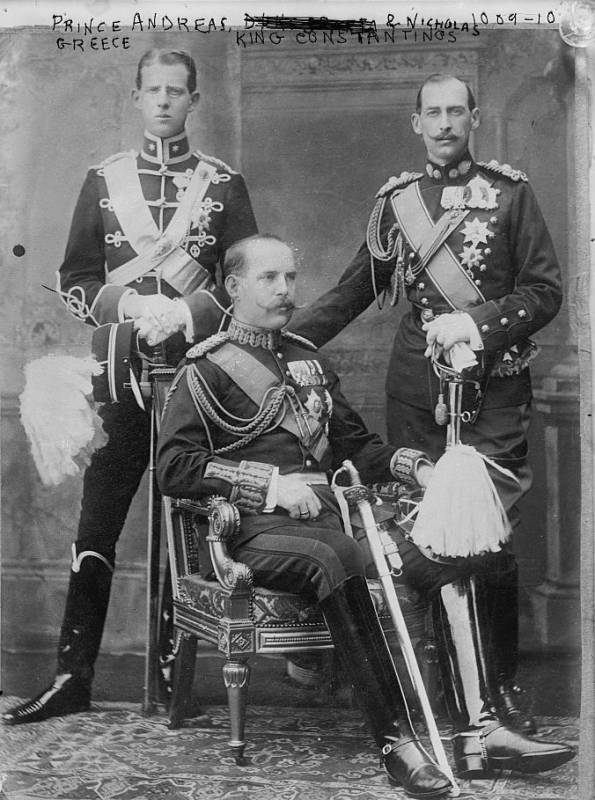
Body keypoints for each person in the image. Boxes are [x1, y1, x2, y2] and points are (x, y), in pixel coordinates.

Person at [156, 233, 573, 794]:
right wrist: (270, 485)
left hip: (334, 521)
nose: (285, 290)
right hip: (256, 532)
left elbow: (357, 448)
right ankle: (396, 742)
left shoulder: (307, 358)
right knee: (339, 553)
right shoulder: (204, 369)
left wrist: (422, 471)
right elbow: (174, 468)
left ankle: (481, 731)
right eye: (269, 279)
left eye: (291, 278)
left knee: (453, 554)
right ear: (233, 286)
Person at [290, 73, 563, 734]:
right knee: (425, 535)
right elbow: (354, 290)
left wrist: (478, 325)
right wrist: (279, 342)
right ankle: (446, 696)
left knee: (487, 537)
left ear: (474, 116)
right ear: (416, 124)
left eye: (454, 112)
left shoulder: (508, 195)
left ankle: (497, 691)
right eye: (431, 114)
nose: (443, 124)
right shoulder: (397, 204)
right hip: (415, 393)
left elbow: (543, 290)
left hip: (491, 392)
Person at [3, 48, 257, 726]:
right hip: (121, 372)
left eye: (178, 90)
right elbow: (77, 277)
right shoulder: (104, 181)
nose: (166, 101)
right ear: (138, 97)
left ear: (194, 100)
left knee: (190, 523)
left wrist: (185, 312)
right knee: (98, 521)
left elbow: (246, 283)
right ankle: (72, 676)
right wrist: (128, 309)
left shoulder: (223, 185)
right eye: (154, 90)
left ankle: (178, 674)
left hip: (196, 380)